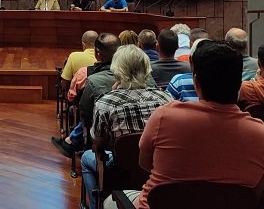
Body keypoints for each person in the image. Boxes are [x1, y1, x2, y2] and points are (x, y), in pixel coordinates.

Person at [109, 41, 264, 209]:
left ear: (196, 82)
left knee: (110, 201)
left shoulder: (164, 116)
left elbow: (145, 164)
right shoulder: (260, 133)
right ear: (240, 83)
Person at [80, 45, 172, 209]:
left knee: (87, 158)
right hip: (159, 172)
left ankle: (96, 205)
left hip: (121, 175)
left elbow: (97, 144)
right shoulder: (167, 98)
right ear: (146, 68)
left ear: (117, 70)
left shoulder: (105, 102)